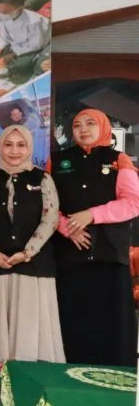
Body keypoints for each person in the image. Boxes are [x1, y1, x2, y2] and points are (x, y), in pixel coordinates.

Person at [0, 125, 65, 375]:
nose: (14, 151)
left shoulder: (42, 178)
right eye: (8, 144)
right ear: (0, 146)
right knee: (0, 315)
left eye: (21, 145)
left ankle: (28, 370)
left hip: (33, 262)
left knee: (28, 316)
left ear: (29, 148)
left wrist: (28, 251)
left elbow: (51, 219)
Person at [51, 109, 139, 367]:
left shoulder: (118, 160)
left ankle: (113, 380)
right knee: (74, 319)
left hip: (109, 256)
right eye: (77, 125)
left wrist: (90, 215)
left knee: (110, 321)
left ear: (103, 128)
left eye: (90, 124)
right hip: (70, 257)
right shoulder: (57, 162)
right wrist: (68, 227)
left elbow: (133, 203)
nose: (83, 129)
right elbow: (46, 203)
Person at [0, 0, 50, 84]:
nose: (1, 14)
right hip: (17, 46)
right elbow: (4, 35)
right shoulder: (5, 15)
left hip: (34, 48)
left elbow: (35, 46)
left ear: (20, 9)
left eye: (5, 12)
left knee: (21, 66)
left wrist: (12, 54)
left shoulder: (34, 22)